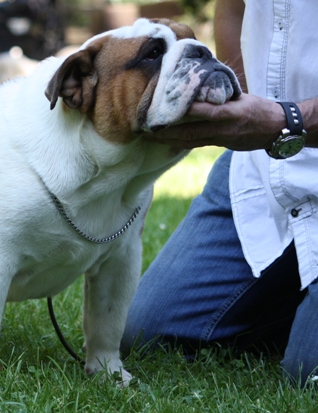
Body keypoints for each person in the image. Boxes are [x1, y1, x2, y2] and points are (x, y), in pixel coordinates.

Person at [122, 0, 318, 386]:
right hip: (261, 164)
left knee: (306, 372)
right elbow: (232, 7)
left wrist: (282, 120)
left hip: (281, 130)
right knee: (146, 332)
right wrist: (238, 104)